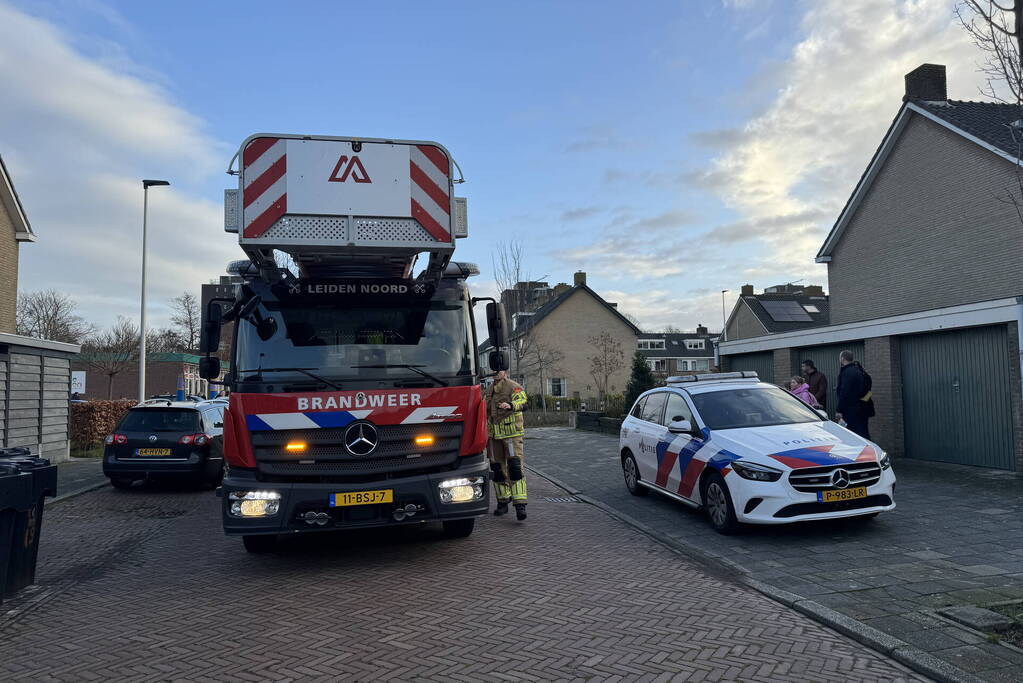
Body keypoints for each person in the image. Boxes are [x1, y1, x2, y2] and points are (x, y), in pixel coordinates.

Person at [485, 369, 529, 520]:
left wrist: (511, 405)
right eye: (493, 370)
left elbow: (523, 402)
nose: (495, 372)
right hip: (493, 436)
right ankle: (503, 502)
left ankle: (520, 505)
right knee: (497, 469)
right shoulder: (488, 390)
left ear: (505, 372)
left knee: (515, 467)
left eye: (499, 370)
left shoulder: (513, 386)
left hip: (511, 435)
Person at [836, 350, 871, 439]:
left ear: (842, 358)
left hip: (851, 409)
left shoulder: (847, 372)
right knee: (863, 433)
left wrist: (839, 409)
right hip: (862, 407)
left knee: (853, 435)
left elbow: (845, 392)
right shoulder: (858, 370)